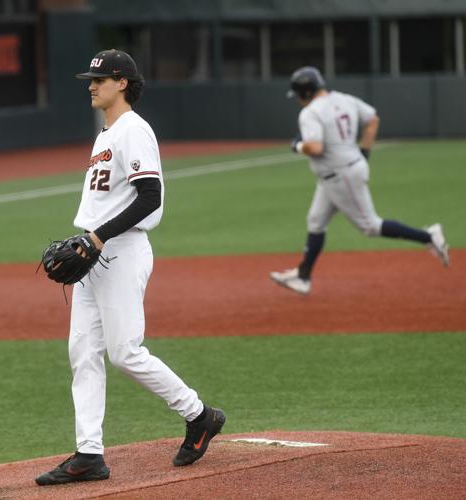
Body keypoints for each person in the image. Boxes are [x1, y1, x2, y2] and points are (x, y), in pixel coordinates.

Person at [35, 49, 225, 486]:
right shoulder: (105, 134)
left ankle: (199, 415)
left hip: (120, 251)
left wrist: (97, 237)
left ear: (123, 83)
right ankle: (89, 454)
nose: (91, 84)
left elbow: (150, 197)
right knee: (83, 353)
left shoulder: (134, 131)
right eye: (91, 79)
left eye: (100, 79)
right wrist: (89, 240)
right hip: (93, 253)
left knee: (124, 352)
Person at [270, 66, 449, 295]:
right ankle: (303, 276)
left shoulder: (310, 112)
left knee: (370, 226)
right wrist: (364, 153)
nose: (296, 99)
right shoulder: (345, 99)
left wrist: (297, 145)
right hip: (339, 172)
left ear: (305, 92)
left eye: (297, 94)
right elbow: (373, 120)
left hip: (340, 175)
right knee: (316, 221)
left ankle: (429, 236)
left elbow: (315, 148)